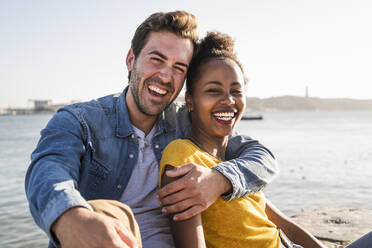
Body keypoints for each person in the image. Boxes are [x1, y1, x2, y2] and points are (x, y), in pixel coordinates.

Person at [25, 11, 278, 248]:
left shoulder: (185, 123)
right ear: (131, 60)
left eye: (179, 68)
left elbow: (261, 156)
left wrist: (219, 179)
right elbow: (48, 171)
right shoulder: (80, 121)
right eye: (157, 60)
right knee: (104, 209)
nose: (166, 77)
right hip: (106, 238)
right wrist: (70, 216)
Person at [159, 32, 326, 248]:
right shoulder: (182, 156)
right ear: (190, 100)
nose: (228, 100)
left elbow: (284, 226)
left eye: (236, 91)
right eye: (213, 90)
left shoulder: (233, 164)